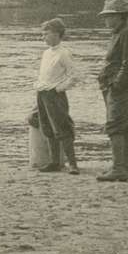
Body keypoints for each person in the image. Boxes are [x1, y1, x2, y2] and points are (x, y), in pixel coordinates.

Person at [96, 0, 128, 182]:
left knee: (114, 125)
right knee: (122, 126)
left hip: (118, 88)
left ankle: (119, 167)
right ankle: (126, 166)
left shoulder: (126, 34)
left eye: (109, 16)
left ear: (119, 17)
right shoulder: (120, 33)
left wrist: (117, 84)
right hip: (113, 86)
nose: (106, 20)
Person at [32, 17, 80, 174]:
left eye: (46, 33)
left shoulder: (64, 53)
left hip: (55, 95)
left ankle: (72, 164)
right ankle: (54, 162)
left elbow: (74, 76)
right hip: (43, 93)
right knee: (47, 127)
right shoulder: (46, 53)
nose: (43, 37)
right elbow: (44, 75)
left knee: (62, 128)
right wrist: (40, 87)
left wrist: (59, 89)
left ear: (57, 34)